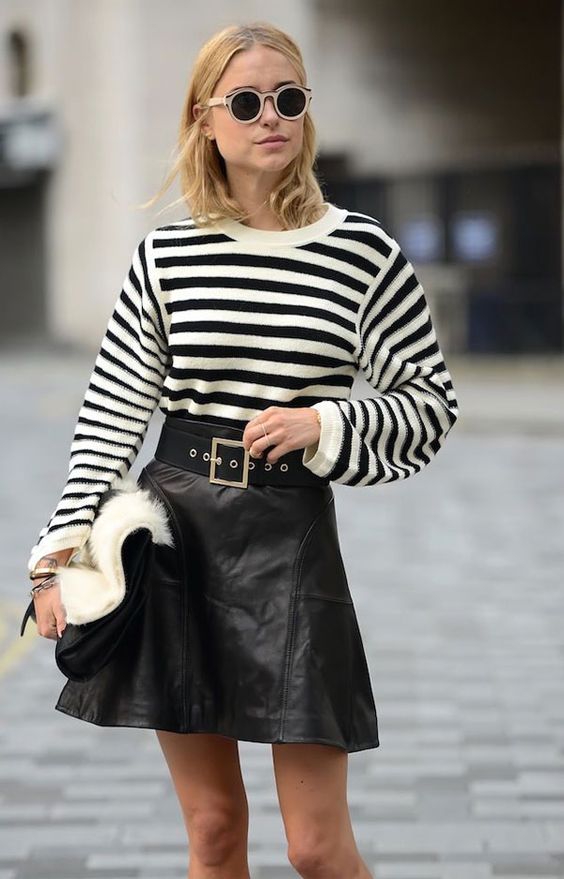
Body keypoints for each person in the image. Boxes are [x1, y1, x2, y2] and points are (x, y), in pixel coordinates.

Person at [26, 21, 459, 879]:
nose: (272, 117)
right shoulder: (167, 256)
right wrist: (60, 553)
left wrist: (325, 423)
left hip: (289, 539)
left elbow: (430, 404)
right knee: (216, 830)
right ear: (205, 118)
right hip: (176, 537)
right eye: (249, 101)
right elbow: (110, 415)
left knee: (315, 847)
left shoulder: (362, 252)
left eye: (289, 99)